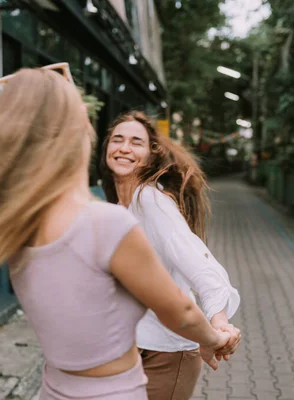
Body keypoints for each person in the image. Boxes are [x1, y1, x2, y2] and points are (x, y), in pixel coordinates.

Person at [0, 68, 237, 400]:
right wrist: (214, 337)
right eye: (113, 136)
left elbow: (194, 264)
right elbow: (181, 312)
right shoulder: (107, 221)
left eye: (136, 141)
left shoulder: (19, 221)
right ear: (82, 135)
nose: (121, 146)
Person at [100, 111, 242, 400]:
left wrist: (218, 322)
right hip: (132, 347)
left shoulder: (150, 200)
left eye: (136, 142)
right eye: (118, 140)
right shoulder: (119, 206)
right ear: (106, 149)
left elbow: (196, 258)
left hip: (167, 353)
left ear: (151, 156)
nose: (124, 148)